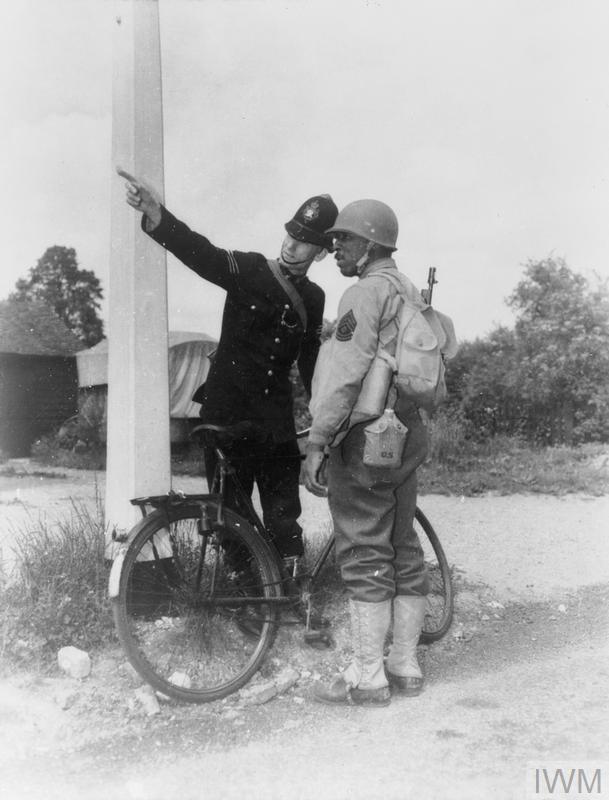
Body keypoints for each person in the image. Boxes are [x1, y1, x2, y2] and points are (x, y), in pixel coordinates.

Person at [118, 168, 338, 573]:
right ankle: (246, 596)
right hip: (228, 413)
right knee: (231, 517)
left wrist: (329, 418)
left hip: (274, 424)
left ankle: (290, 596)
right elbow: (202, 253)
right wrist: (157, 214)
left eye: (305, 242)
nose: (292, 246)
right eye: (290, 235)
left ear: (321, 252)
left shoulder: (314, 297)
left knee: (284, 516)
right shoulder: (251, 269)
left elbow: (310, 365)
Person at [303, 199, 431, 706]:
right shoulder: (409, 291)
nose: (335, 247)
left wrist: (317, 440)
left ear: (372, 245)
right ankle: (404, 663)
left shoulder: (363, 293)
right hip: (408, 434)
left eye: (345, 239)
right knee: (402, 544)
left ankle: (366, 674)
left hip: (368, 439)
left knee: (362, 549)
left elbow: (343, 376)